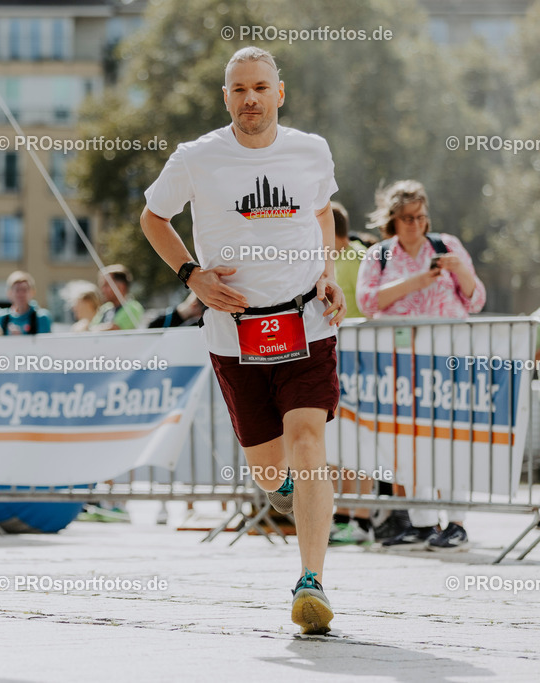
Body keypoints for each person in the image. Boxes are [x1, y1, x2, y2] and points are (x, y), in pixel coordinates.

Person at [140, 47, 345, 634]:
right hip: (236, 334)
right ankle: (277, 486)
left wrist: (328, 273)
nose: (250, 99)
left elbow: (322, 213)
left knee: (308, 441)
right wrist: (192, 276)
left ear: (279, 93)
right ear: (226, 97)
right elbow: (154, 218)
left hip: (307, 323)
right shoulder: (196, 157)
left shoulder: (311, 149)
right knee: (265, 466)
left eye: (260, 88)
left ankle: (312, 582)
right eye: (238, 90)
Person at [355, 179, 485, 552]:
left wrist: (460, 270)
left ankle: (456, 522)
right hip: (402, 363)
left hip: (450, 360)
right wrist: (416, 281)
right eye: (408, 218)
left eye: (421, 217)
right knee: (408, 441)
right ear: (393, 220)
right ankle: (425, 521)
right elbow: (367, 302)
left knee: (453, 438)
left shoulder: (448, 246)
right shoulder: (379, 255)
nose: (415, 224)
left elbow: (475, 300)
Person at [327, 202, 375, 546]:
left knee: (361, 441)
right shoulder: (333, 257)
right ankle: (342, 515)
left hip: (363, 363)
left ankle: (361, 519)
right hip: (337, 362)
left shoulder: (358, 258)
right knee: (338, 441)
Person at [91, 264, 144, 331]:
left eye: (106, 285)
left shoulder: (132, 307)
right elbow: (91, 327)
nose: (102, 290)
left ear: (121, 287)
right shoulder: (106, 308)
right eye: (101, 285)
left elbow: (114, 328)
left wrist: (90, 329)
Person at [0, 271, 51, 335]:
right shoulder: (3, 318)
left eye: (24, 290)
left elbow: (44, 343)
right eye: (17, 290)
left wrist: (21, 338)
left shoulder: (41, 317)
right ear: (9, 293)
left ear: (32, 292)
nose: (21, 294)